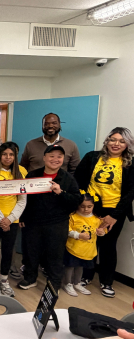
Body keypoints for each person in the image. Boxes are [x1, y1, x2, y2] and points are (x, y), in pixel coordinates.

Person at [74, 127, 134, 298]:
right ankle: (85, 277)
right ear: (107, 141)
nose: (116, 144)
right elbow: (78, 180)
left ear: (127, 144)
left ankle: (107, 282)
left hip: (115, 211)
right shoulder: (92, 157)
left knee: (108, 246)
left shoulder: (130, 163)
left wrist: (114, 216)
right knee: (89, 242)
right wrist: (85, 204)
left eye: (122, 141)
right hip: (90, 208)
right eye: (113, 139)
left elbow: (131, 192)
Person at [19, 145, 81, 293]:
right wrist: (22, 217)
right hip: (33, 222)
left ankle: (54, 284)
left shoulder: (68, 178)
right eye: (51, 156)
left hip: (57, 223)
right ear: (44, 158)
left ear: (63, 159)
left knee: (55, 254)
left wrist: (61, 192)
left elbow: (76, 200)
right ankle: (30, 278)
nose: (55, 159)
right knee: (30, 251)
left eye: (59, 156)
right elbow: (24, 199)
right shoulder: (33, 175)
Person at [0, 142, 27, 297]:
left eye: (11, 155)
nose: (8, 157)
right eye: (5, 154)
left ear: (15, 156)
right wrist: (1, 219)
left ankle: (4, 280)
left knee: (8, 251)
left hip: (12, 221)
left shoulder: (20, 173)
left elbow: (22, 200)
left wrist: (10, 219)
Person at [62, 193, 106, 297]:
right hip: (73, 248)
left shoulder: (96, 219)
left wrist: (101, 232)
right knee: (70, 266)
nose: (86, 209)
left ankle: (77, 283)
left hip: (87, 249)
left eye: (89, 206)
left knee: (80, 266)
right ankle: (67, 283)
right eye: (82, 206)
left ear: (94, 206)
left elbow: (102, 230)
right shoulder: (73, 217)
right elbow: (67, 230)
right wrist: (78, 235)